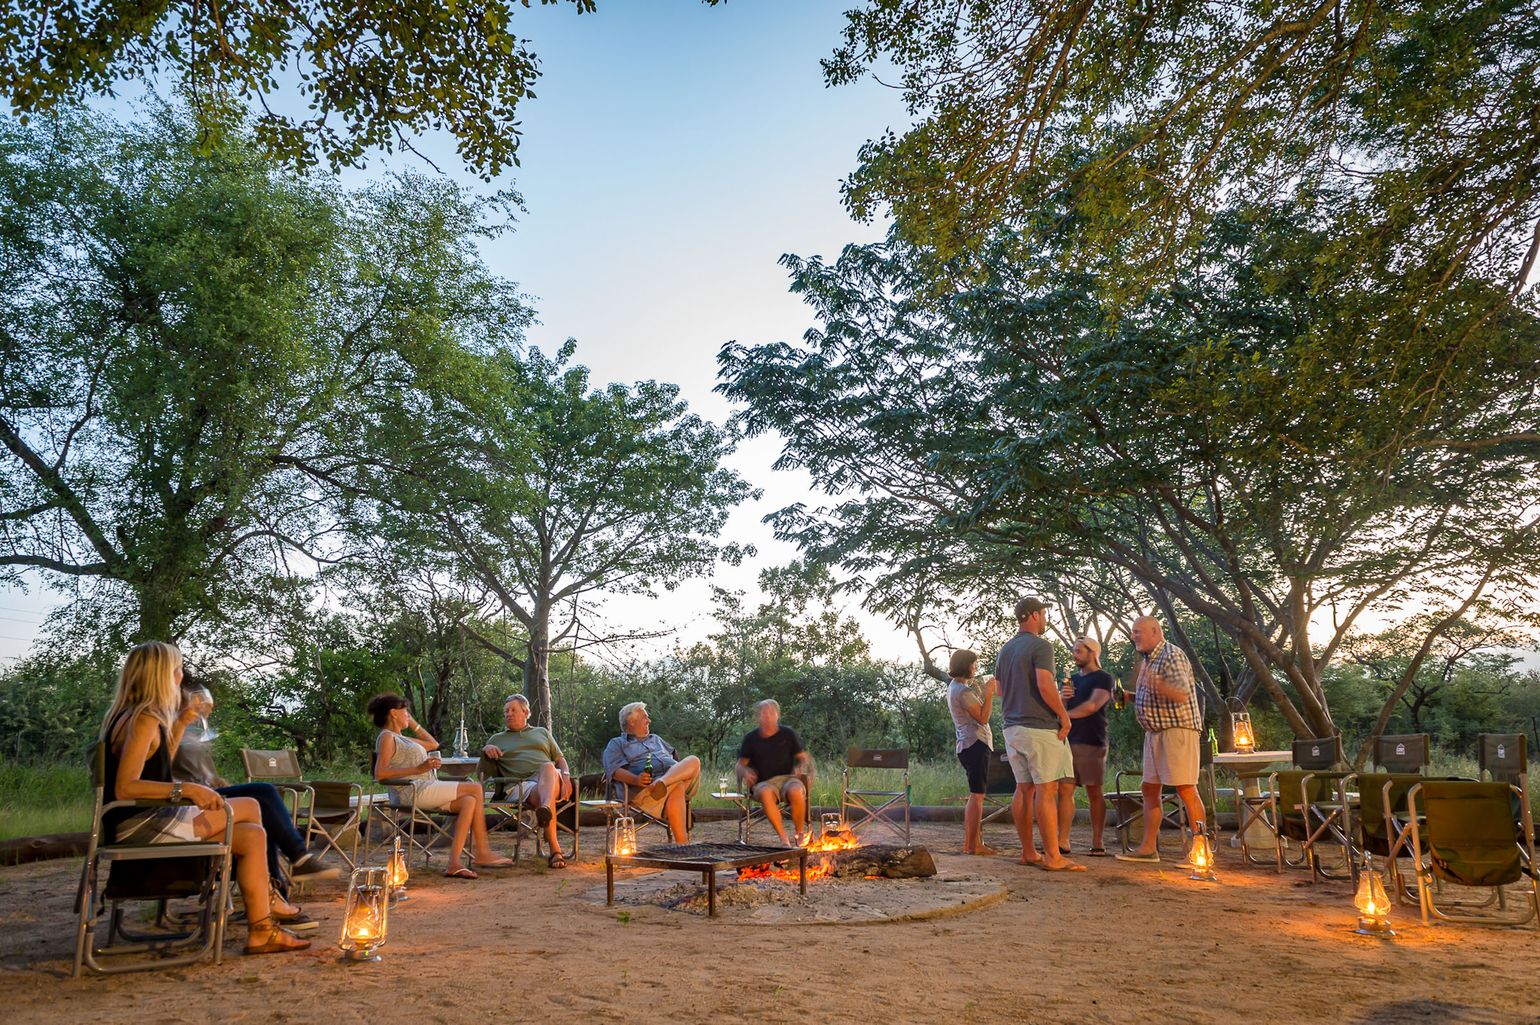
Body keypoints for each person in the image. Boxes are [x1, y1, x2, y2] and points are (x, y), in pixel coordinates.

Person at [100, 642, 309, 954]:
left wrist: (182, 721)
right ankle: (276, 894)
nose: (181, 676)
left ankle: (263, 928)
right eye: (177, 669)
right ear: (161, 675)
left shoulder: (139, 716)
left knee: (252, 835)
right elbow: (126, 787)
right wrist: (188, 789)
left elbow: (159, 770)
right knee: (252, 805)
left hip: (148, 819)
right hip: (142, 825)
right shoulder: (143, 719)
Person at [171, 687, 339, 932]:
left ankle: (278, 897)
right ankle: (295, 864)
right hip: (188, 803)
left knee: (262, 814)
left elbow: (197, 773)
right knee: (264, 793)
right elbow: (163, 772)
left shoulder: (186, 731)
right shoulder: (166, 726)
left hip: (203, 796)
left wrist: (214, 780)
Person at [368, 694, 513, 879]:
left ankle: (454, 863)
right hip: (411, 791)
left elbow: (432, 744)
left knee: (469, 801)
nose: (408, 714)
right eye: (405, 711)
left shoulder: (402, 738)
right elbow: (380, 773)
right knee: (475, 788)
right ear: (393, 713)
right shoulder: (387, 737)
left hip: (426, 786)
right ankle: (482, 852)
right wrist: (419, 768)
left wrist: (412, 723)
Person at [995, 596, 1083, 871]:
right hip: (1038, 727)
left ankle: (1029, 852)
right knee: (1047, 790)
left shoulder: (1005, 649)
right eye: (1044, 614)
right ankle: (1053, 857)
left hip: (1012, 727)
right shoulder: (1040, 646)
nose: (1045, 619)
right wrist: (1063, 715)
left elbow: (999, 690)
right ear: (1034, 615)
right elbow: (1045, 685)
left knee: (1024, 789)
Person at [1115, 616, 1208, 863]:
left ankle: (1201, 849)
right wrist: (1130, 697)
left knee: (1186, 788)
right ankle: (1148, 848)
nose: (1133, 635)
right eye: (1133, 632)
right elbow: (1156, 697)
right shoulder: (1149, 659)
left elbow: (1180, 693)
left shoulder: (1171, 655)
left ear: (1154, 631)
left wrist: (1155, 681)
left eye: (1138, 631)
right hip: (1155, 733)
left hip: (1177, 730)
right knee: (1149, 788)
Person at [479, 693, 574, 868]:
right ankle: (554, 848)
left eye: (513, 710)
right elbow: (482, 774)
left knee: (547, 766)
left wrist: (566, 776)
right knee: (546, 792)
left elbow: (560, 759)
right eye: (506, 711)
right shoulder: (497, 739)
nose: (508, 714)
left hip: (550, 779)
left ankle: (546, 813)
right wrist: (485, 750)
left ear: (526, 712)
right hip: (520, 786)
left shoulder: (542, 733)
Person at [602, 702, 701, 842]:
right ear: (632, 721)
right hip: (645, 791)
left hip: (664, 784)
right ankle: (682, 844)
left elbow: (677, 762)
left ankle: (662, 783)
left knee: (693, 760)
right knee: (677, 785)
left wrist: (669, 777)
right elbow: (614, 770)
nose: (649, 721)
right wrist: (636, 780)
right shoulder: (617, 743)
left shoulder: (656, 739)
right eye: (645, 717)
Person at [1057, 637, 1114, 856]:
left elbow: (1092, 706)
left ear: (1093, 652)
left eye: (1079, 651)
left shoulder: (1103, 678)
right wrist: (1062, 700)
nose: (1075, 655)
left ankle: (1097, 842)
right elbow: (1058, 707)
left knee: (1094, 791)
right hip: (1068, 741)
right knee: (1065, 789)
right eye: (1074, 651)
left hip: (1092, 740)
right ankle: (1063, 841)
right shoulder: (1069, 680)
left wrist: (1065, 717)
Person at [737, 699, 813, 846]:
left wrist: (800, 767)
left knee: (796, 790)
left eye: (771, 713)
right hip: (762, 783)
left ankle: (799, 835)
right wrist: (745, 772)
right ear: (757, 717)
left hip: (788, 779)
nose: (767, 716)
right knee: (765, 792)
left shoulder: (788, 734)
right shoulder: (751, 738)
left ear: (778, 715)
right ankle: (783, 838)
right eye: (763, 713)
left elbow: (803, 758)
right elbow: (739, 765)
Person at [946, 649, 998, 856]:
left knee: (976, 795)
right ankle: (972, 845)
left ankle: (973, 843)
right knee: (977, 796)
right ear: (966, 665)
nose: (975, 668)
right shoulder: (962, 691)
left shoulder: (956, 688)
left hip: (968, 744)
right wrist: (989, 693)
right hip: (974, 744)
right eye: (974, 664)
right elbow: (983, 718)